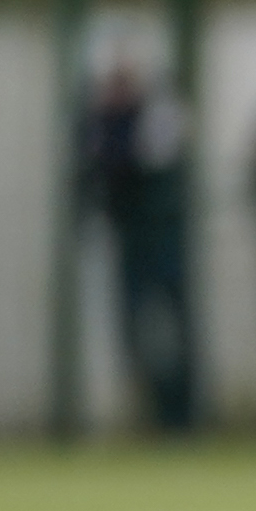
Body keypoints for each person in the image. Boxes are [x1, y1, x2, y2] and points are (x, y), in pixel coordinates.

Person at [80, 57, 195, 434]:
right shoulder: (101, 125)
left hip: (164, 245)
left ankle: (179, 415)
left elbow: (156, 162)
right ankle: (144, 411)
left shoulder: (155, 117)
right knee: (133, 332)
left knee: (173, 330)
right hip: (131, 245)